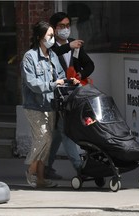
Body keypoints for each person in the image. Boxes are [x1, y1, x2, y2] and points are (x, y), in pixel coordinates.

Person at [20, 21, 80, 188]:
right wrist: (54, 84)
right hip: (34, 106)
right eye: (50, 36)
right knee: (43, 138)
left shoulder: (52, 55)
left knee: (47, 141)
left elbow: (59, 74)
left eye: (53, 35)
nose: (53, 39)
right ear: (40, 37)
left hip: (51, 105)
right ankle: (30, 170)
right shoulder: (29, 57)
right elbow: (33, 83)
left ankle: (40, 178)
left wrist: (69, 80)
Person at [45, 12, 95, 179]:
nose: (65, 29)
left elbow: (89, 64)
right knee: (64, 130)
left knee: (59, 133)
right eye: (61, 26)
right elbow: (56, 52)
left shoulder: (74, 44)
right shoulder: (50, 45)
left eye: (67, 25)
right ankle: (80, 167)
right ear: (54, 28)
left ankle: (46, 167)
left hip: (72, 94)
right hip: (57, 94)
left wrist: (80, 76)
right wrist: (70, 46)